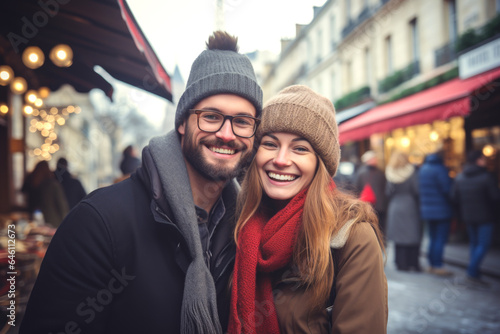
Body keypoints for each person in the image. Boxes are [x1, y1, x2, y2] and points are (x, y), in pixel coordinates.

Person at [20, 31, 263, 334]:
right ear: (182, 123)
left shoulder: (245, 230)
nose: (227, 134)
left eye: (242, 121)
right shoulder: (99, 222)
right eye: (211, 116)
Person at [228, 85, 387, 334]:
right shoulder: (238, 223)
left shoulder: (352, 237)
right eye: (270, 144)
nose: (281, 160)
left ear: (319, 164)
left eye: (300, 148)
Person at [451, 150, 500, 286]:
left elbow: (454, 197)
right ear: (478, 160)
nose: (485, 161)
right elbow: (495, 197)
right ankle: (472, 272)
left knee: (474, 243)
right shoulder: (486, 177)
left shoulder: (460, 177)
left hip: (468, 216)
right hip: (485, 216)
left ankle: (475, 273)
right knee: (483, 244)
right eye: (483, 158)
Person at [418, 150, 454, 276]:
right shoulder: (440, 169)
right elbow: (447, 189)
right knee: (440, 238)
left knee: (432, 237)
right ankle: (438, 265)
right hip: (441, 209)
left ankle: (432, 264)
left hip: (426, 210)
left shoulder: (423, 169)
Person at [385, 151, 422, 272]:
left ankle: (401, 263)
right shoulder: (411, 171)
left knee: (398, 236)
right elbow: (416, 189)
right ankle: (413, 263)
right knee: (412, 235)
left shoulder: (390, 172)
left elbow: (387, 192)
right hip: (409, 206)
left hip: (395, 206)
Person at [21, 160, 69, 228]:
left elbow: (23, 192)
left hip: (33, 218)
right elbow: (62, 205)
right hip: (52, 219)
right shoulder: (52, 184)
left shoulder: (31, 180)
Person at [354, 149, 388, 239]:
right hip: (373, 205)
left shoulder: (361, 172)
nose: (375, 160)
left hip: (371, 205)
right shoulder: (377, 172)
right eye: (374, 158)